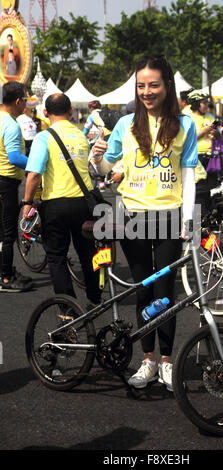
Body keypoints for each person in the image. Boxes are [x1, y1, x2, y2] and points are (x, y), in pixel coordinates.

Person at [91, 54, 198, 392]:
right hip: (131, 217)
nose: (147, 92)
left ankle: (167, 362)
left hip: (169, 217)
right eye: (141, 86)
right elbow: (106, 171)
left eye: (153, 85)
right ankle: (147, 360)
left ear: (168, 85)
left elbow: (189, 176)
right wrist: (96, 159)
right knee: (143, 291)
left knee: (165, 295)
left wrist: (189, 221)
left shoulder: (186, 124)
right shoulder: (124, 124)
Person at [23, 93, 102, 306]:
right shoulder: (81, 136)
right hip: (84, 203)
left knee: (56, 256)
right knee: (87, 252)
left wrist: (27, 203)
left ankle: (68, 307)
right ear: (70, 111)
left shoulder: (44, 137)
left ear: (46, 113)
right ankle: (95, 299)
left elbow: (34, 175)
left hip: (56, 203)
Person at [0, 81, 33, 292]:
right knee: (8, 233)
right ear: (18, 101)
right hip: (6, 183)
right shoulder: (11, 125)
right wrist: (37, 164)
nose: (27, 105)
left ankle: (6, 271)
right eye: (26, 100)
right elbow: (14, 157)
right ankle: (5, 278)